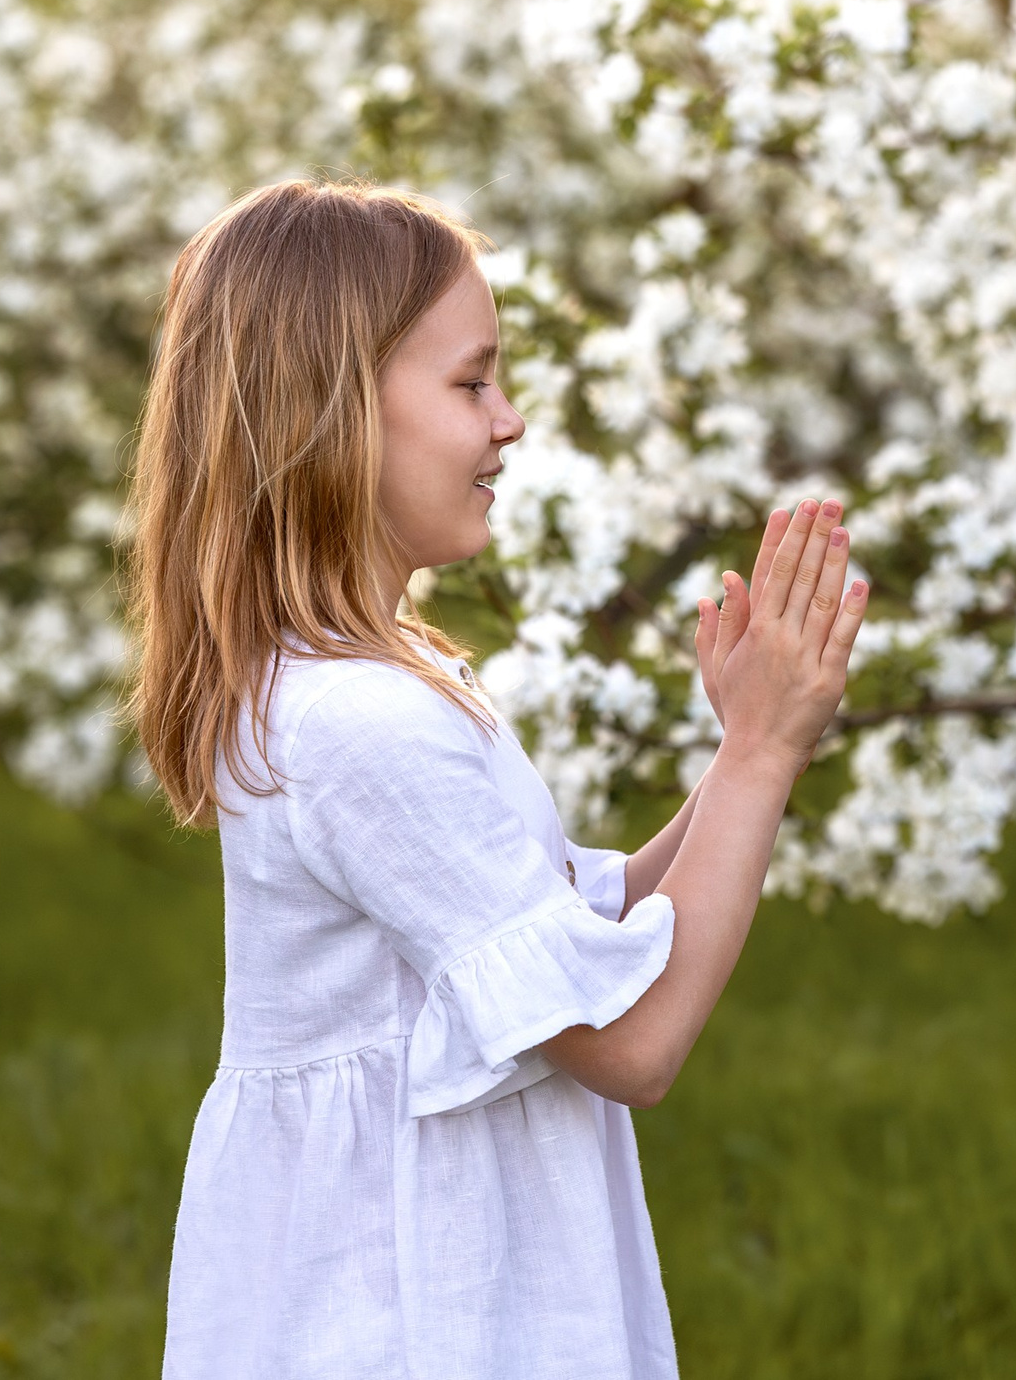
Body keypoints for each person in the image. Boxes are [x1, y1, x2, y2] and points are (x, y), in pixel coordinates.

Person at [127, 179, 866, 1379]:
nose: (509, 420)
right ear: (331, 412)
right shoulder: (357, 725)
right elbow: (631, 1043)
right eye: (471, 383)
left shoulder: (359, 686)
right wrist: (762, 755)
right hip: (403, 1319)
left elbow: (573, 928)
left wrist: (743, 744)